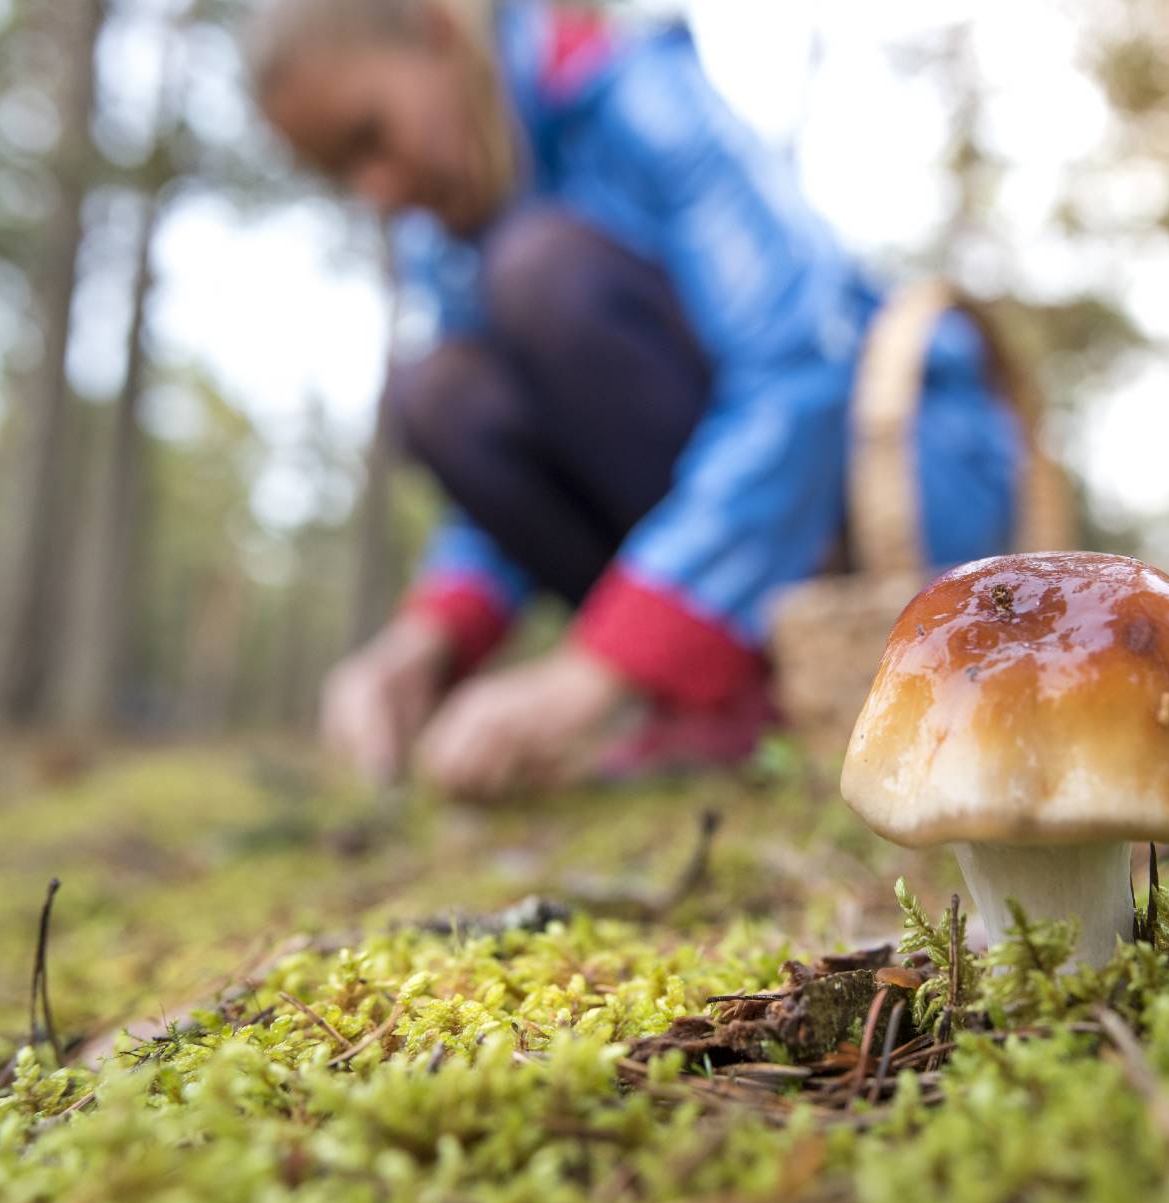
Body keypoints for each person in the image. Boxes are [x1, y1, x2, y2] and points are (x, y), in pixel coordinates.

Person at [248, 0, 1026, 797]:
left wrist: (594, 668)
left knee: (539, 274)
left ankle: (719, 666)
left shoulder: (638, 100)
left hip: (892, 491)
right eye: (340, 174)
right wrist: (430, 633)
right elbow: (529, 452)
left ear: (436, 30)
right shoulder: (451, 238)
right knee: (437, 390)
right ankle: (717, 687)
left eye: (369, 136)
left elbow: (800, 369)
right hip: (722, 522)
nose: (375, 191)